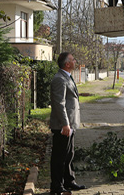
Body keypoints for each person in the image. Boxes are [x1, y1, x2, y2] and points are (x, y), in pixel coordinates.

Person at [49, 52, 86, 195]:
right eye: (73, 59)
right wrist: (65, 124)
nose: (75, 61)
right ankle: (56, 186)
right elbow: (59, 103)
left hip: (70, 124)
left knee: (69, 154)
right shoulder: (60, 79)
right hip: (63, 125)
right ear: (67, 64)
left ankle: (69, 181)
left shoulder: (66, 76)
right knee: (59, 156)